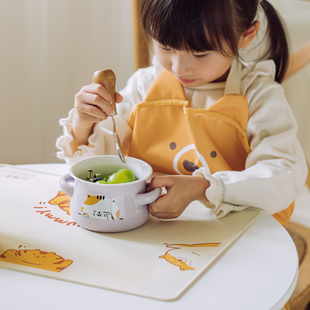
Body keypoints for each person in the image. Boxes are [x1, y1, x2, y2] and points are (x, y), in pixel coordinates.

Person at [56, 0, 307, 225]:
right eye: (165, 48)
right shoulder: (146, 85)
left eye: (200, 54)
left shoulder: (258, 95)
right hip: (152, 230)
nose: (179, 68)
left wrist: (204, 187)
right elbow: (100, 169)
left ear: (246, 35)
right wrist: (84, 124)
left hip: (235, 233)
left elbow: (284, 175)